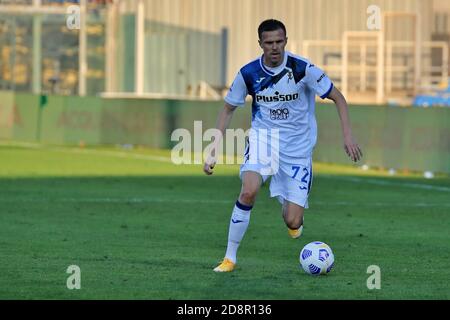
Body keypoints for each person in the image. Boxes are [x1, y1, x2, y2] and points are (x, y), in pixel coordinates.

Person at [203, 19, 363, 272]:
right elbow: (227, 109)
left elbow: (338, 98)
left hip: (298, 150)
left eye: (279, 42)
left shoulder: (303, 69)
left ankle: (292, 218)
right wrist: (213, 150)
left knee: (292, 220)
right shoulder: (248, 73)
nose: (275, 47)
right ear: (260, 44)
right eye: (269, 43)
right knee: (249, 190)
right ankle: (229, 258)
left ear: (286, 41)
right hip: (263, 141)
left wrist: (348, 136)